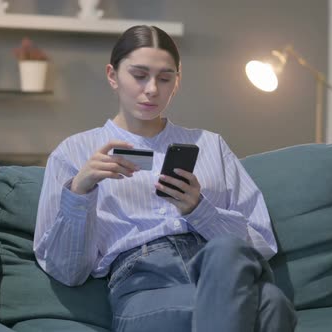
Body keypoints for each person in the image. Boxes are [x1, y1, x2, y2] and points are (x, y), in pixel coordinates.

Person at [33, 25, 297, 332]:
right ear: (112, 75)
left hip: (214, 267)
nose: (152, 90)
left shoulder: (211, 145)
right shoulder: (74, 153)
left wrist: (200, 210)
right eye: (139, 75)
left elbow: (261, 241)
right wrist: (80, 191)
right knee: (270, 304)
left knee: (231, 258)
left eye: (164, 77)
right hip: (144, 285)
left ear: (177, 81)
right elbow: (66, 271)